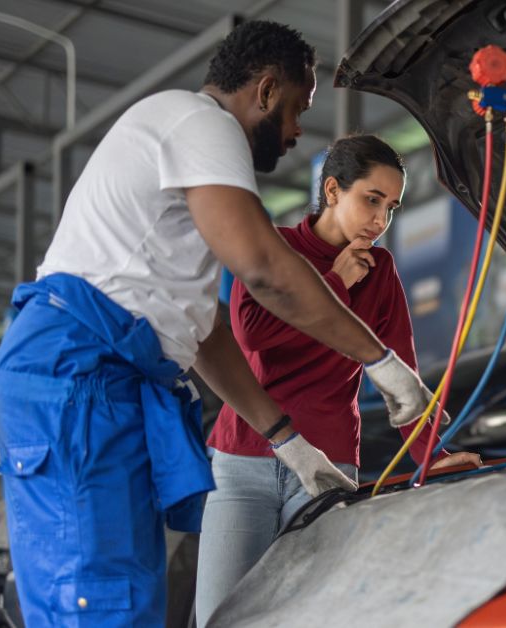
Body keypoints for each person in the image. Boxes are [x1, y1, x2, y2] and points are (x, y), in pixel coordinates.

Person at [0, 22, 436, 627]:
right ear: (266, 90)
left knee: (129, 599)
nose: (299, 130)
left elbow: (203, 333)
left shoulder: (190, 182)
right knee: (101, 602)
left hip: (108, 374)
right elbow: (267, 273)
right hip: (78, 368)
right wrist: (380, 361)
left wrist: (287, 439)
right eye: (299, 110)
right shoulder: (202, 124)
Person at [194, 135, 483, 625]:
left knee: (311, 616)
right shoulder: (274, 247)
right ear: (332, 190)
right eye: (372, 200)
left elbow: (402, 375)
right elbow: (254, 335)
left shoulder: (383, 271)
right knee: (218, 617)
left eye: (391, 207)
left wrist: (431, 457)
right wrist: (336, 282)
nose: (380, 220)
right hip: (243, 460)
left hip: (329, 467)